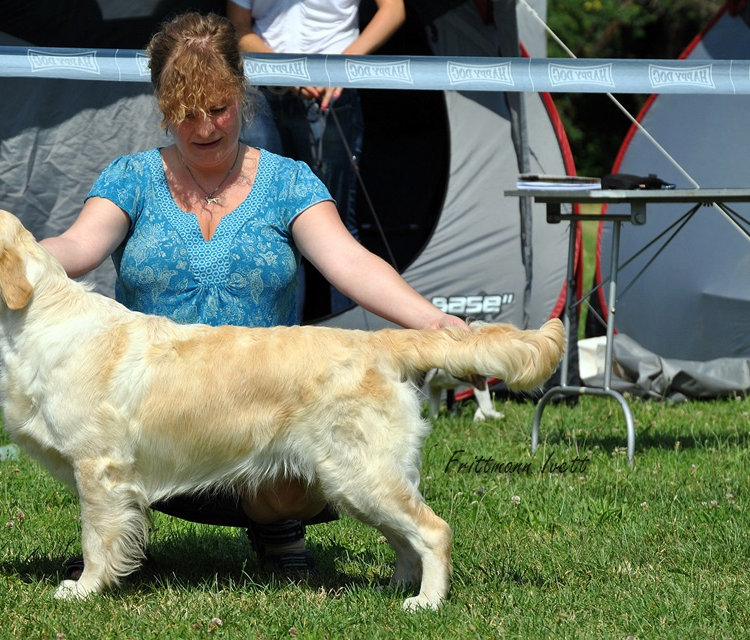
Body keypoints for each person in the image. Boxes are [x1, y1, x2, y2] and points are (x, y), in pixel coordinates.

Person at [40, 11, 467, 579]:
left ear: (242, 92)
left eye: (218, 107)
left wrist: (430, 319)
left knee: (299, 451)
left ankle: (278, 526)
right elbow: (76, 245)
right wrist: (7, 259)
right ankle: (119, 536)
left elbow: (351, 263)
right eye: (185, 113)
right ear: (163, 107)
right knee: (98, 437)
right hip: (155, 432)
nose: (205, 128)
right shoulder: (132, 178)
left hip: (262, 427)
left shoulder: (287, 181)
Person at [226, 0, 406, 316]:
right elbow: (239, 26)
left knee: (334, 222)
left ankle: (350, 338)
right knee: (268, 224)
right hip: (263, 94)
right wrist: (285, 69)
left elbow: (394, 10)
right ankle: (278, 341)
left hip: (331, 92)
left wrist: (342, 66)